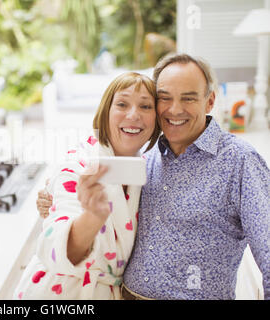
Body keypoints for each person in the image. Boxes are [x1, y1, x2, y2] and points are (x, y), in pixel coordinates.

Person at [36, 53, 269, 300]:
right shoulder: (147, 157)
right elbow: (102, 209)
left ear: (209, 101)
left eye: (188, 98)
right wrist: (53, 198)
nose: (175, 109)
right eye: (165, 98)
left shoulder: (240, 161)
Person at [13, 72, 161, 299]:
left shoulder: (148, 171)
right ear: (105, 112)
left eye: (145, 106)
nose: (133, 115)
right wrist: (93, 217)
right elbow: (53, 246)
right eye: (122, 104)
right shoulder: (78, 165)